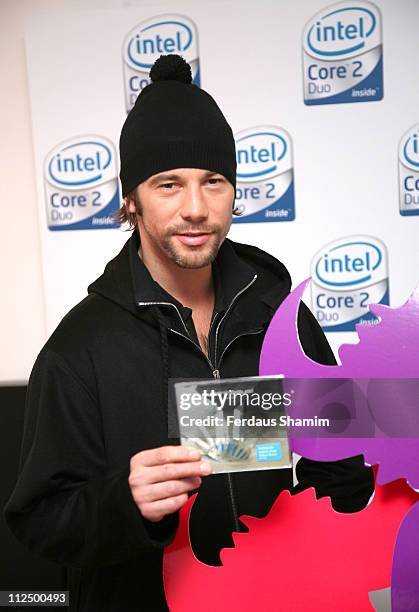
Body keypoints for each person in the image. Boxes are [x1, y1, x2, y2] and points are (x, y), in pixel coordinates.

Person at [4, 55, 373, 611]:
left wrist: (373, 443)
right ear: (131, 199)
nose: (196, 209)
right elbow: (40, 521)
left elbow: (341, 467)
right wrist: (123, 502)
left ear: (234, 191)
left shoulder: (281, 314)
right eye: (168, 184)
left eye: (214, 182)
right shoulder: (79, 349)